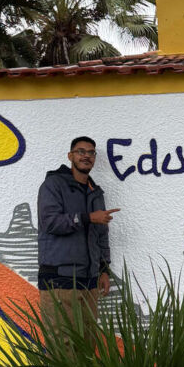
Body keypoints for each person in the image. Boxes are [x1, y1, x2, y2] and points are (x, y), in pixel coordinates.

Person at [37, 136, 119, 339]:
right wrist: (88, 217)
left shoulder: (95, 192)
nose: (86, 156)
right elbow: (50, 222)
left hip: (89, 281)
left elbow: (101, 235)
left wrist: (103, 270)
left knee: (87, 342)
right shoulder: (53, 185)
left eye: (91, 153)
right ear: (70, 156)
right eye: (81, 151)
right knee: (62, 346)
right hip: (59, 280)